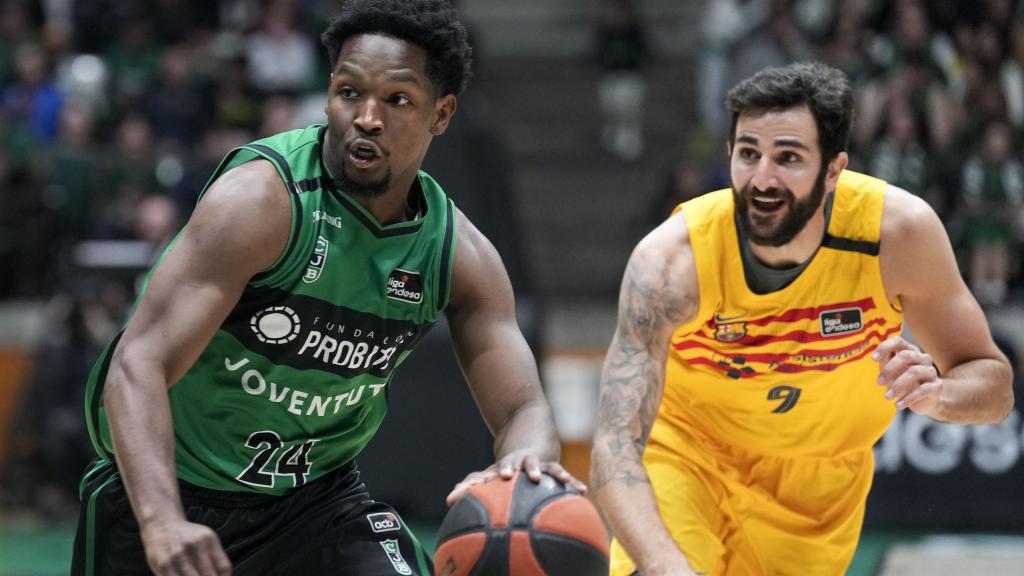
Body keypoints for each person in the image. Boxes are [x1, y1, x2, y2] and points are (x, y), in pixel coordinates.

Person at [72, 2, 583, 575]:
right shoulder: (261, 203)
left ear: (441, 115)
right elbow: (137, 365)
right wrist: (162, 519)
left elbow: (522, 406)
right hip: (171, 489)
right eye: (348, 92)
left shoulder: (458, 253)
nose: (367, 117)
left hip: (315, 506)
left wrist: (521, 463)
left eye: (397, 99)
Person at [590, 61, 1014, 576]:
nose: (762, 179)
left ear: (834, 169)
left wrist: (939, 396)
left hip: (820, 485)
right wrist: (662, 566)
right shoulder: (672, 261)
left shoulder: (898, 235)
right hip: (687, 455)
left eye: (788, 157)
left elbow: (994, 387)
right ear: (729, 156)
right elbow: (615, 445)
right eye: (748, 154)